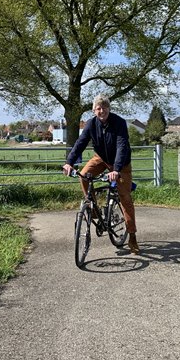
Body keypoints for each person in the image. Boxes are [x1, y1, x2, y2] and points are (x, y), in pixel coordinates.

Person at [62, 95, 140, 254]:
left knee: (125, 197)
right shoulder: (91, 124)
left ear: (109, 109)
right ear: (93, 110)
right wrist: (69, 162)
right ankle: (93, 209)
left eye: (104, 107)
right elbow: (80, 143)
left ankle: (132, 235)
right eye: (98, 108)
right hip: (101, 158)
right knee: (83, 175)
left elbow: (121, 146)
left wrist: (116, 170)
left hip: (121, 163)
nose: (102, 110)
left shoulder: (119, 122)